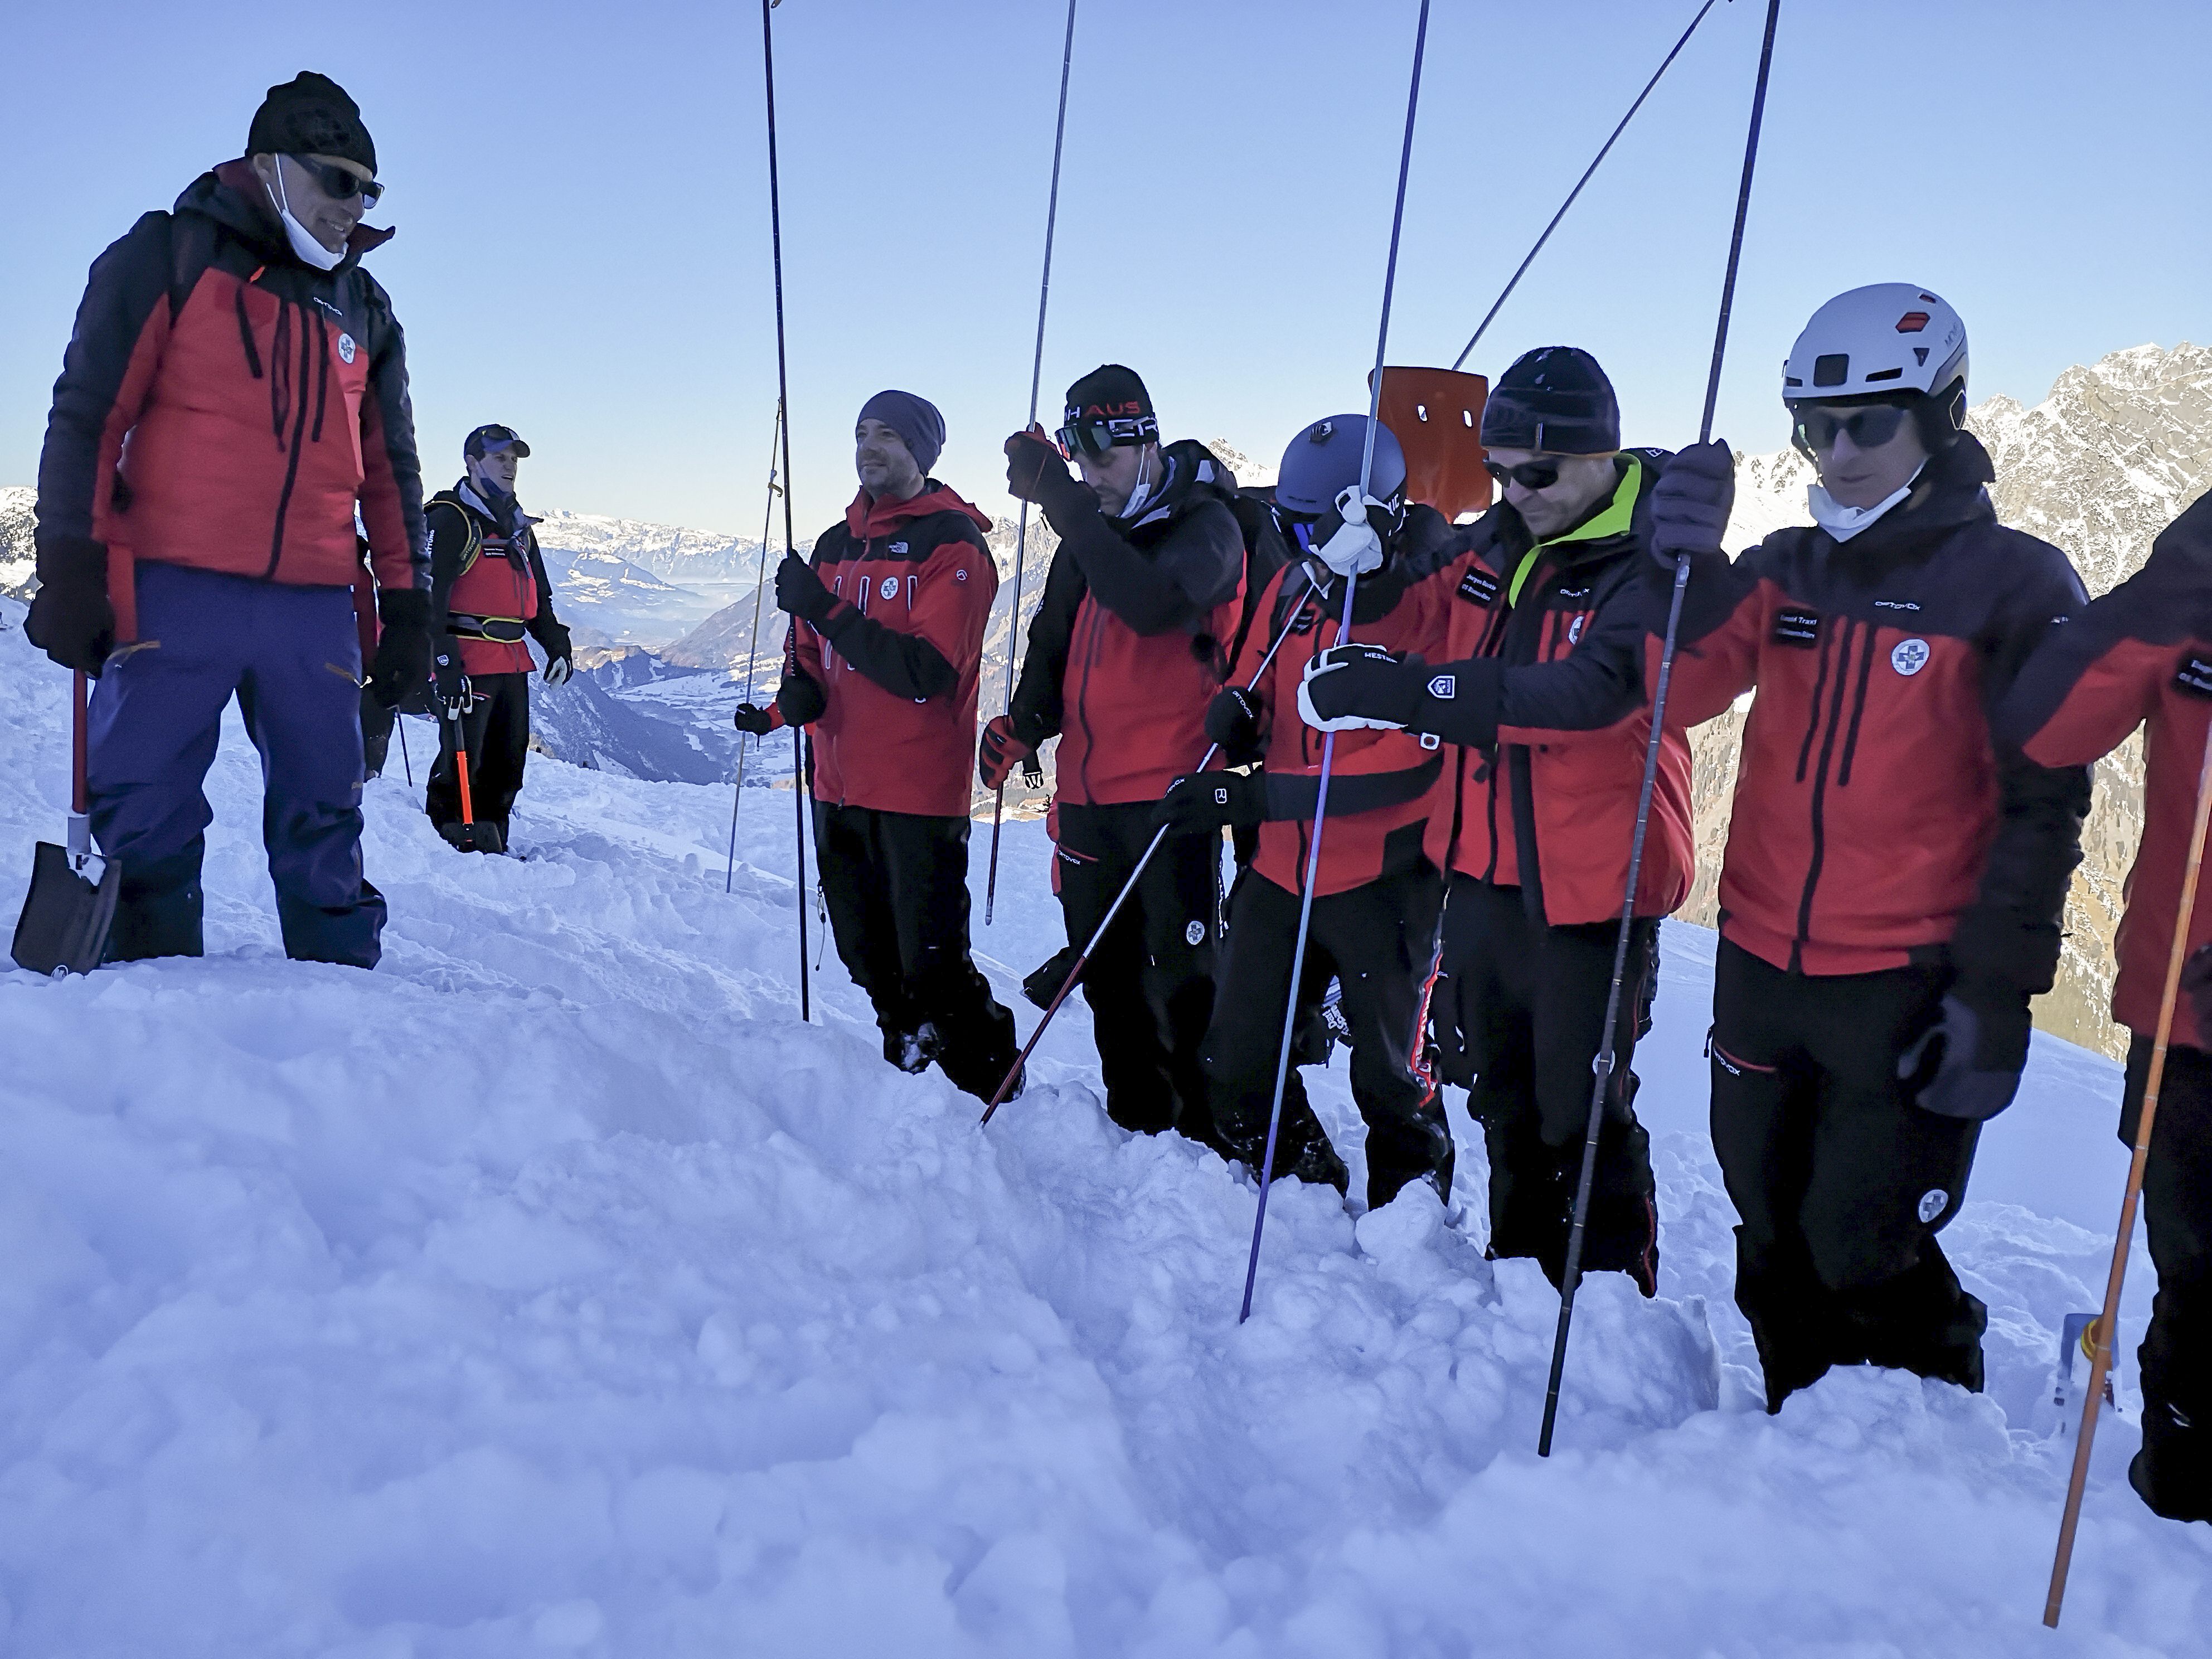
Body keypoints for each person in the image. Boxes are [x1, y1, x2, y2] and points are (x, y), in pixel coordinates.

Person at [1633, 284, 2088, 1410]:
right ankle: (1799, 1431)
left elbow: (2044, 811)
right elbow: (1674, 694)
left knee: (1862, 1244)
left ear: (1938, 415)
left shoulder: (2016, 583)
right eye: (1810, 426)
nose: (1836, 453)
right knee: (1767, 1221)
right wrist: (1669, 572)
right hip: (1758, 963)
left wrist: (1995, 996)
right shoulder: (1785, 565)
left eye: (1867, 425)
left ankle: (1925, 1438)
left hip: (1902, 980)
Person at [1298, 348, 1684, 1293]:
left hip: (1593, 883)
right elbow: (1425, 603)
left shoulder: (1655, 557)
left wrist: (1413, 692)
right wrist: (1375, 565)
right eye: (1500, 471)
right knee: (1504, 1097)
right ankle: (1521, 1272)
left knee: (1581, 1105)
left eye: (1538, 472)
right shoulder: (1498, 540)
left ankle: (1603, 1304)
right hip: (1481, 869)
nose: (1516, 491)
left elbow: (1583, 694)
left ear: (1602, 454)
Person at [27, 71, 427, 967]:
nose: (353, 206)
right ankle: (146, 1000)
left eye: (370, 189)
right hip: (174, 588)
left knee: (327, 806)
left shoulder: (367, 308)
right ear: (271, 166)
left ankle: (344, 1008)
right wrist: (72, 567)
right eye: (338, 180)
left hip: (315, 604)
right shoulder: (169, 255)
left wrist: (408, 607)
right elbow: (89, 415)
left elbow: (392, 475)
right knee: (145, 801)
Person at [1161, 413, 1456, 1207]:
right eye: (1283, 528)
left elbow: (1414, 768)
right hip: (1286, 866)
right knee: (1235, 1060)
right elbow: (1261, 670)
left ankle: (1411, 1230)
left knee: (1390, 1077)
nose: (1293, 546)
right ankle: (1307, 1194)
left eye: (1305, 527)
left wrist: (1260, 795)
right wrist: (1240, 711)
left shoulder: (1436, 605)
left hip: (1386, 875)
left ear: (1367, 515)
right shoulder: (1298, 586)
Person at [1998, 487, 2212, 1524]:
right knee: (2196, 1285)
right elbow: (2042, 726)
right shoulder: (2191, 603)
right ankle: (2175, 1512)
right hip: (2186, 1020)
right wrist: (2168, 590)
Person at [992, 366, 1250, 1141]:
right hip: (1087, 800)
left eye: (1102, 457)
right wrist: (1025, 723)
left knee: (1183, 985)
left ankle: (1208, 1148)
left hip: (1175, 798)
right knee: (1107, 978)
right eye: (1078, 459)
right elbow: (1053, 634)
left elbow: (1150, 605)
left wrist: (1067, 508)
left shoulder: (1208, 525)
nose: (1090, 477)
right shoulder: (1089, 533)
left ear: (1146, 442)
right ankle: (1139, 1133)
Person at [738, 391, 1017, 1098]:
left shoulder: (953, 544)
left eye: (889, 435)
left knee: (931, 961)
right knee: (863, 951)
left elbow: (924, 671)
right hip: (835, 783)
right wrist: (787, 702)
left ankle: (989, 1082)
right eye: (862, 433)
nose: (870, 447)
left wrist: (822, 609)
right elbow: (807, 653)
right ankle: (906, 1049)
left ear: (921, 452)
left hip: (918, 791)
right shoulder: (834, 545)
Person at [422, 424, 573, 852]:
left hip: (511, 659)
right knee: (462, 759)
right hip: (467, 659)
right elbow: (429, 598)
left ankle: (492, 842)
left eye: (514, 460)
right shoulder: (450, 518)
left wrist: (556, 644)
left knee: (508, 762)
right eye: (499, 458)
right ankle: (449, 839)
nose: (509, 467)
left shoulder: (519, 527)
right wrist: (444, 664)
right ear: (472, 463)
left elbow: (538, 597)